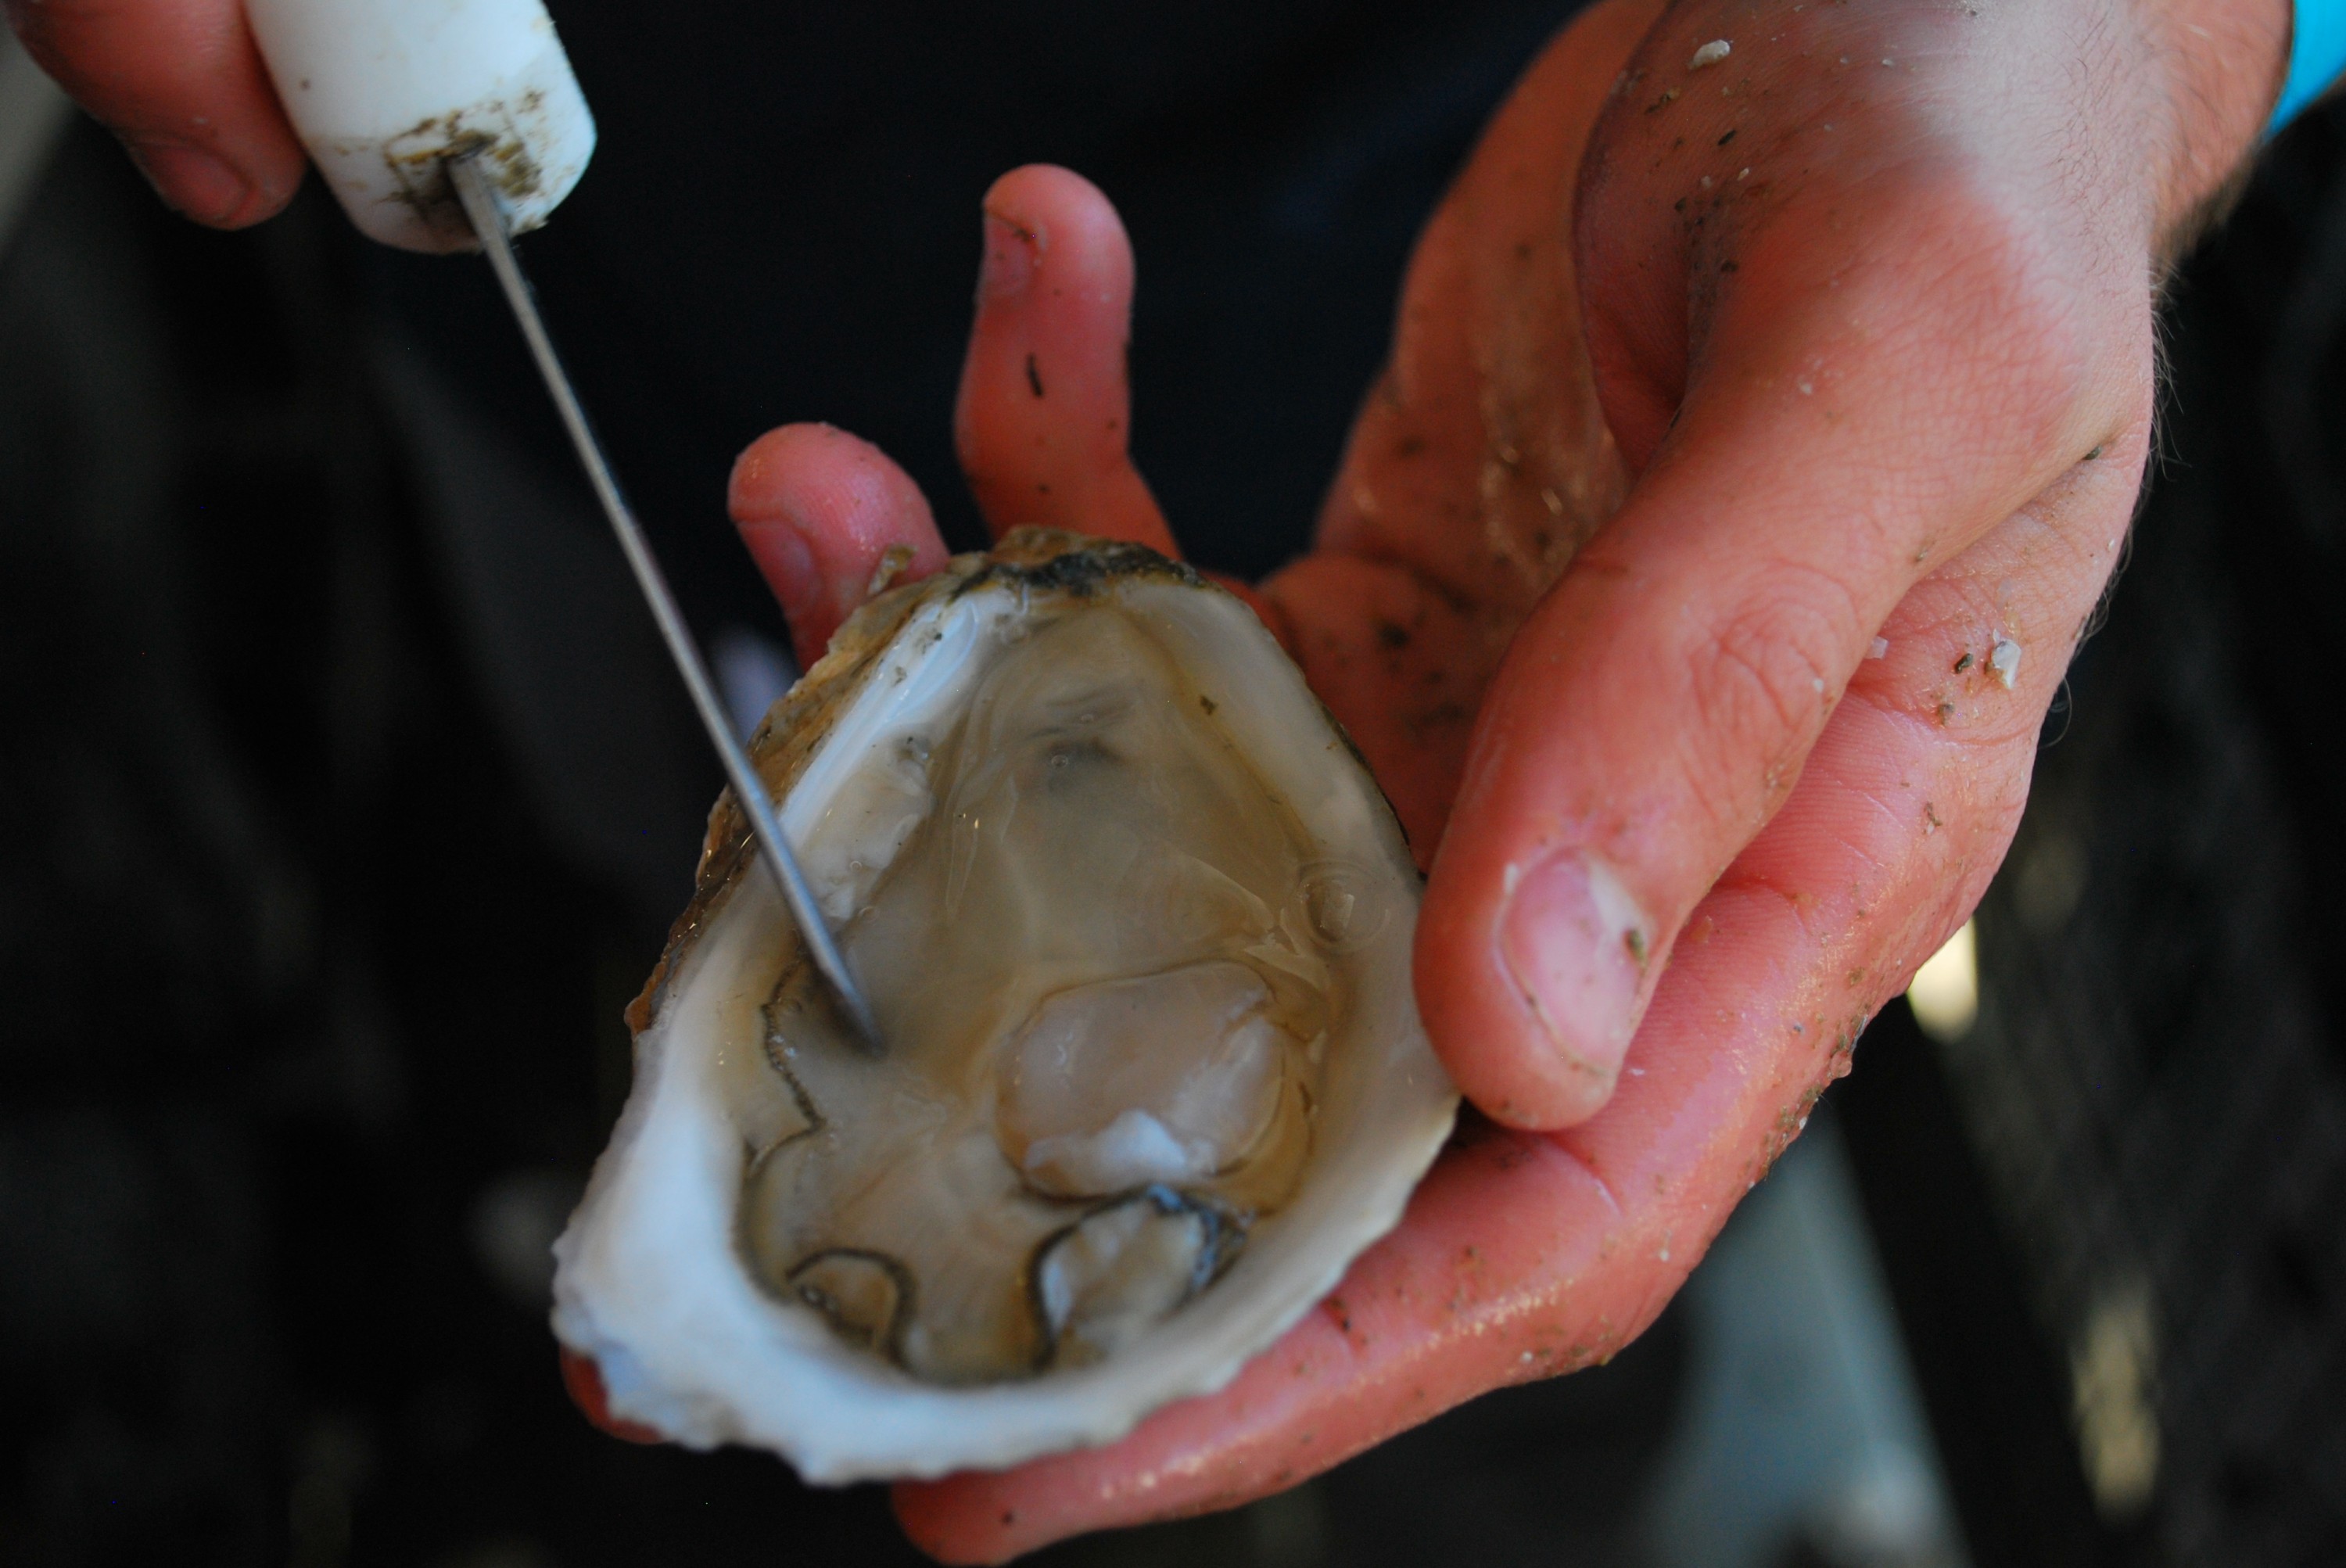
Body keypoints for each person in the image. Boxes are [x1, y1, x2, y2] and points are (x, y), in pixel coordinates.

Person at [7, 0, 2330, 1560]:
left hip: (1567, 321)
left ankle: (1536, 1499)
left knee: (1514, 1229)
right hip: (561, 283)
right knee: (639, 788)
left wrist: (2127, 36)